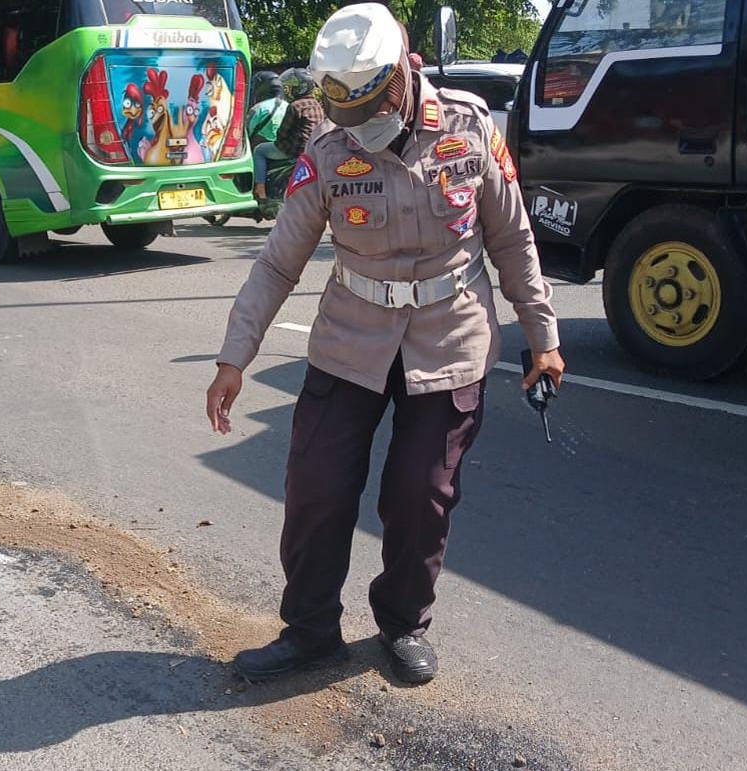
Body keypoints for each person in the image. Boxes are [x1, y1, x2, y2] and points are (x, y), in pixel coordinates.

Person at [205, 2, 565, 685]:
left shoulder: (469, 129)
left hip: (450, 334)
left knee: (420, 492)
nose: (360, 126)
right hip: (352, 338)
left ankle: (403, 620)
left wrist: (543, 334)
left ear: (404, 71)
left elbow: (513, 240)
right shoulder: (329, 153)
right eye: (346, 112)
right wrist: (234, 356)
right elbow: (278, 263)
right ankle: (310, 630)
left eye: (370, 105)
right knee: (316, 483)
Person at [246, 71, 288, 202]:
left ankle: (260, 188)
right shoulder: (288, 106)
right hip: (287, 146)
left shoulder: (258, 108)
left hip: (271, 148)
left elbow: (247, 131)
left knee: (257, 152)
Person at [272, 68, 326, 161]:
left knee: (259, 151)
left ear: (301, 88)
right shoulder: (317, 104)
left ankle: (258, 176)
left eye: (293, 87)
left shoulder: (295, 105)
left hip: (295, 151)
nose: (290, 90)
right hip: (314, 150)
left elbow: (282, 133)